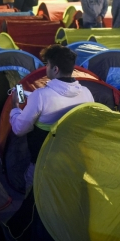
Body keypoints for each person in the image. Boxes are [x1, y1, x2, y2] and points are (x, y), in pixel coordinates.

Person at [9, 44, 94, 191]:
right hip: (73, 163)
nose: (46, 67)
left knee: (32, 194)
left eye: (47, 64)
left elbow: (19, 129)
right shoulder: (87, 94)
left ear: (55, 69)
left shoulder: (40, 96)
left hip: (43, 164)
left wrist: (15, 107)